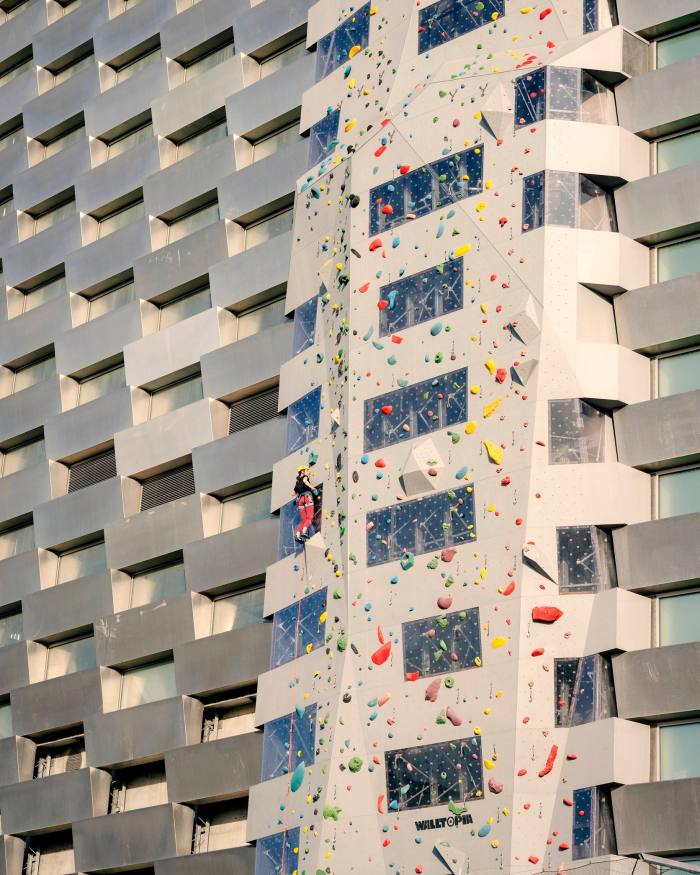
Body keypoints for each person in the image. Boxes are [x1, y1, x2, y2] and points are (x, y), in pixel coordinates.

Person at [293, 465, 318, 541]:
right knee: (309, 517)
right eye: (307, 470)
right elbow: (305, 481)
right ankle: (304, 532)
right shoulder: (305, 477)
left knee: (303, 520)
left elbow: (293, 493)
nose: (308, 472)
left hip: (300, 500)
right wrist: (312, 488)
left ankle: (297, 535)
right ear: (302, 471)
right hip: (307, 497)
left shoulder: (297, 482)